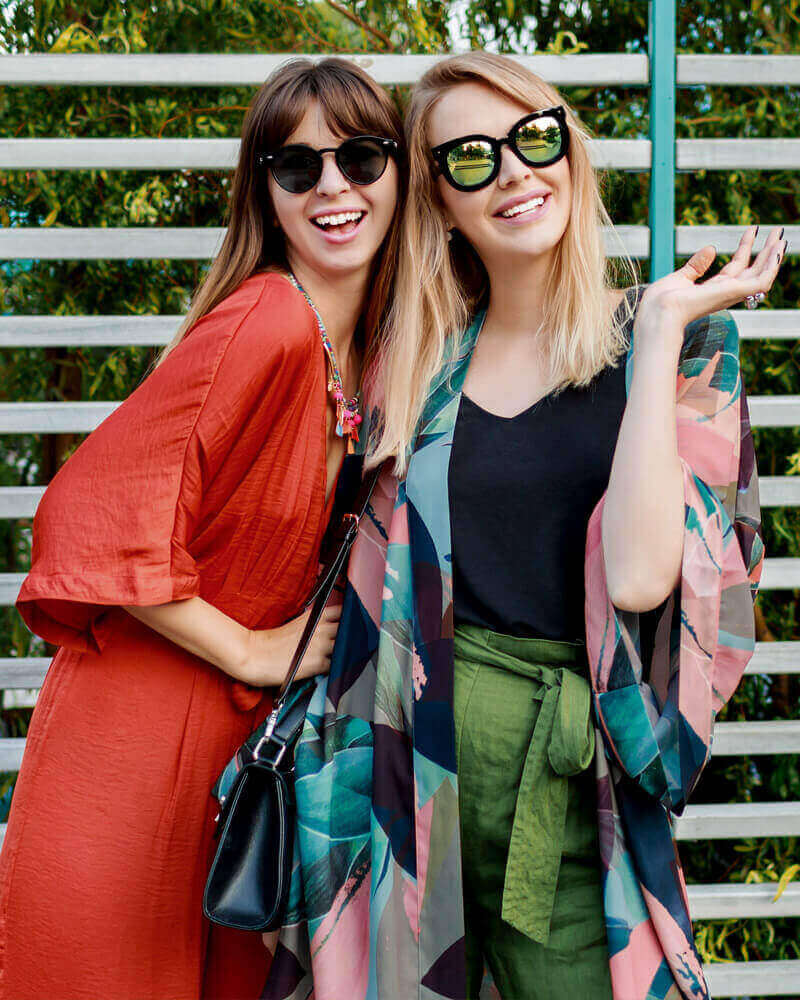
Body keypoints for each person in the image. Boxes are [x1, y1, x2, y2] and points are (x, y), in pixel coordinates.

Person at [261, 52, 771, 1000]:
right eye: (470, 158)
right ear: (438, 200)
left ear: (569, 151)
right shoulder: (418, 367)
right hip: (414, 792)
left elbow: (640, 579)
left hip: (570, 798)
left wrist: (656, 332)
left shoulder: (684, 342)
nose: (512, 173)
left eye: (534, 138)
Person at [0, 56, 403, 1000]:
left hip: (237, 748)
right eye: (297, 167)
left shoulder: (369, 346)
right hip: (140, 733)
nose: (333, 187)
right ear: (267, 193)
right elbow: (89, 516)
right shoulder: (268, 320)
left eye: (360, 157)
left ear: (399, 173)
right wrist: (255, 650)